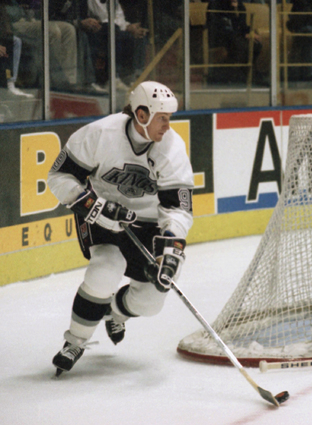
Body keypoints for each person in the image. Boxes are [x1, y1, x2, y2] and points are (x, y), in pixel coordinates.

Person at [48, 81, 194, 375]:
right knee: (105, 268)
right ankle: (75, 341)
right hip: (105, 214)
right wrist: (93, 205)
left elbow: (178, 208)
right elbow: (59, 176)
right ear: (141, 114)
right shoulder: (100, 134)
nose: (168, 125)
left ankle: (114, 311)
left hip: (150, 223)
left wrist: (171, 248)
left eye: (169, 118)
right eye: (162, 118)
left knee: (152, 301)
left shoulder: (172, 148)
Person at [84, 0, 148, 90]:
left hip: (115, 28)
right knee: (114, 31)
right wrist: (126, 27)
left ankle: (133, 77)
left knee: (138, 36)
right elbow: (103, 17)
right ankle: (113, 78)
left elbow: (119, 17)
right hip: (98, 30)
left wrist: (128, 26)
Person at [206, 0, 263, 84]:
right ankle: (232, 76)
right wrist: (243, 35)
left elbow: (242, 25)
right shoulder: (215, 4)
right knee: (241, 45)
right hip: (221, 38)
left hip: (236, 36)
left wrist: (250, 32)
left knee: (256, 45)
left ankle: (248, 73)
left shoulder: (239, 5)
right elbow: (220, 27)